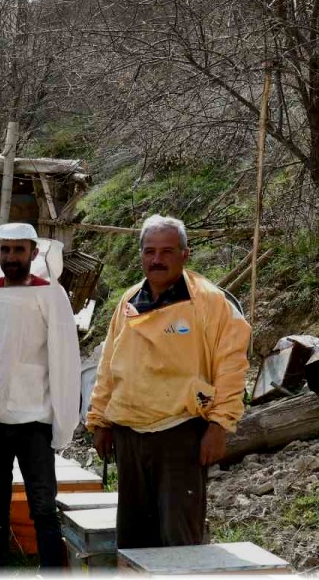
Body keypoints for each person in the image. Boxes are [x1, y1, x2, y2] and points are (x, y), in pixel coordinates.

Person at [87, 215, 250, 549]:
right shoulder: (129, 301)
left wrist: (220, 425)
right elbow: (110, 365)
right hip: (129, 433)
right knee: (134, 541)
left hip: (180, 433)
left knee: (179, 537)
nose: (157, 260)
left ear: (185, 255)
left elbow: (231, 367)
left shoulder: (211, 302)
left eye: (167, 251)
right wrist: (100, 419)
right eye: (150, 251)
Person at [0, 223, 79, 570]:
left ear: (34, 252)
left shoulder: (51, 294)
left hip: (35, 421)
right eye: (5, 250)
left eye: (18, 250)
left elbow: (64, 361)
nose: (11, 257)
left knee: (42, 504)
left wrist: (63, 422)